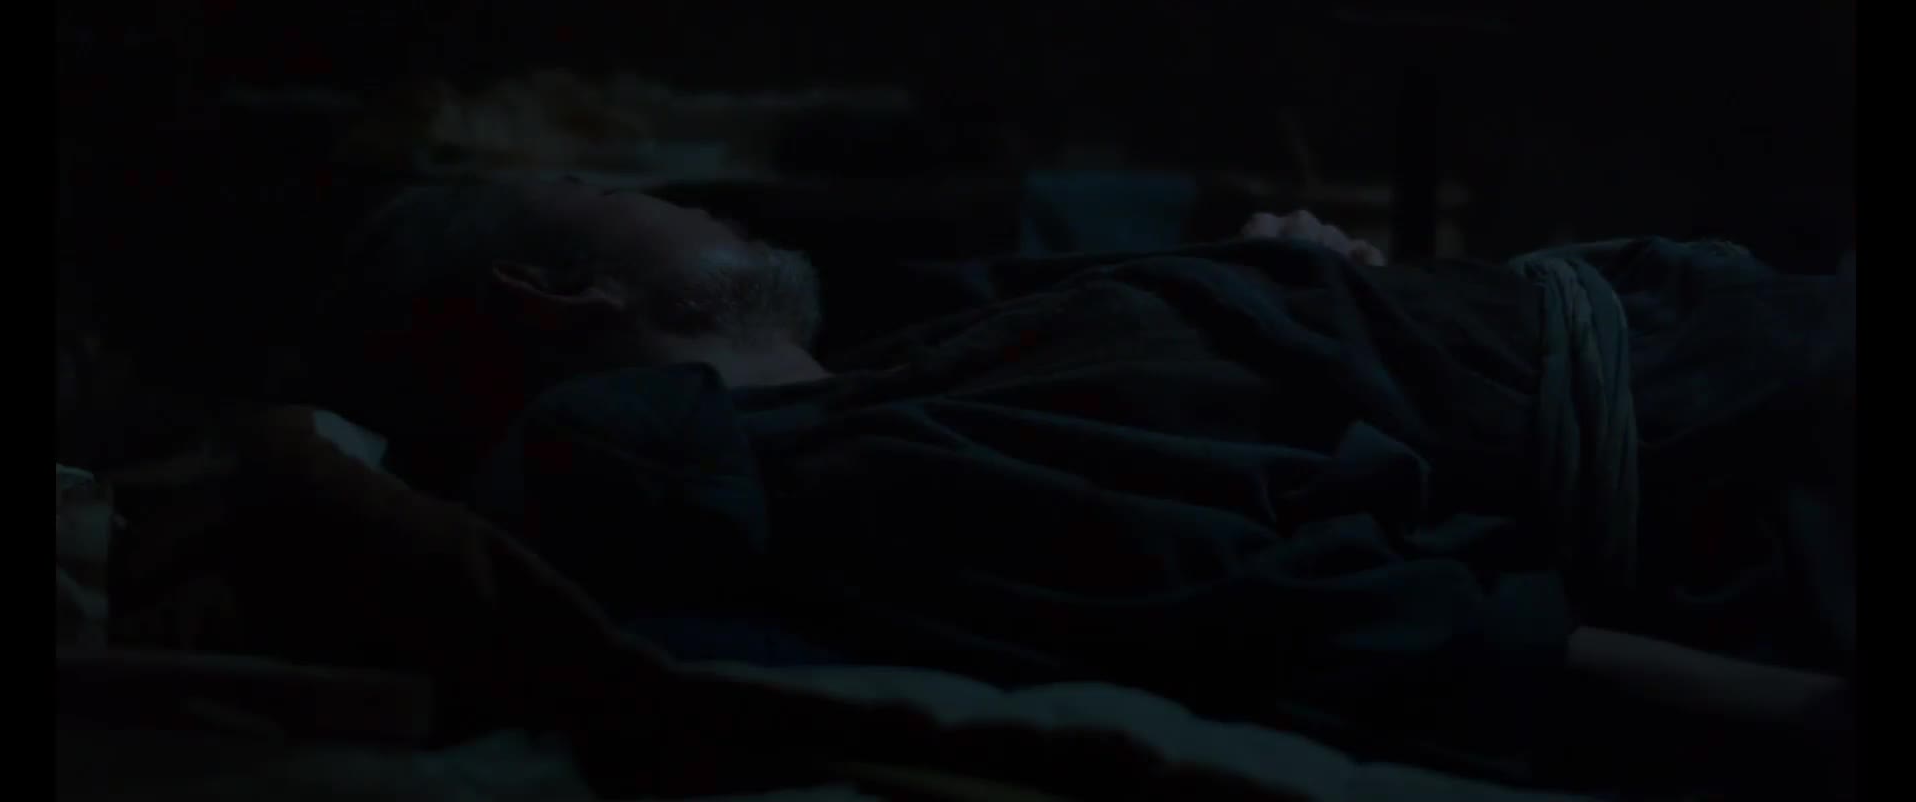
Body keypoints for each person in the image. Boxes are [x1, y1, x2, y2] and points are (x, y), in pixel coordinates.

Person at [308, 177, 1853, 788]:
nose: (701, 205)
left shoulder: (889, 382)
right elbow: (1360, 626)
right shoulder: (841, 474)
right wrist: (1807, 721)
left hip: (1725, 352)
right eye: (640, 197)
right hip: (1754, 438)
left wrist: (1271, 291)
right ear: (555, 293)